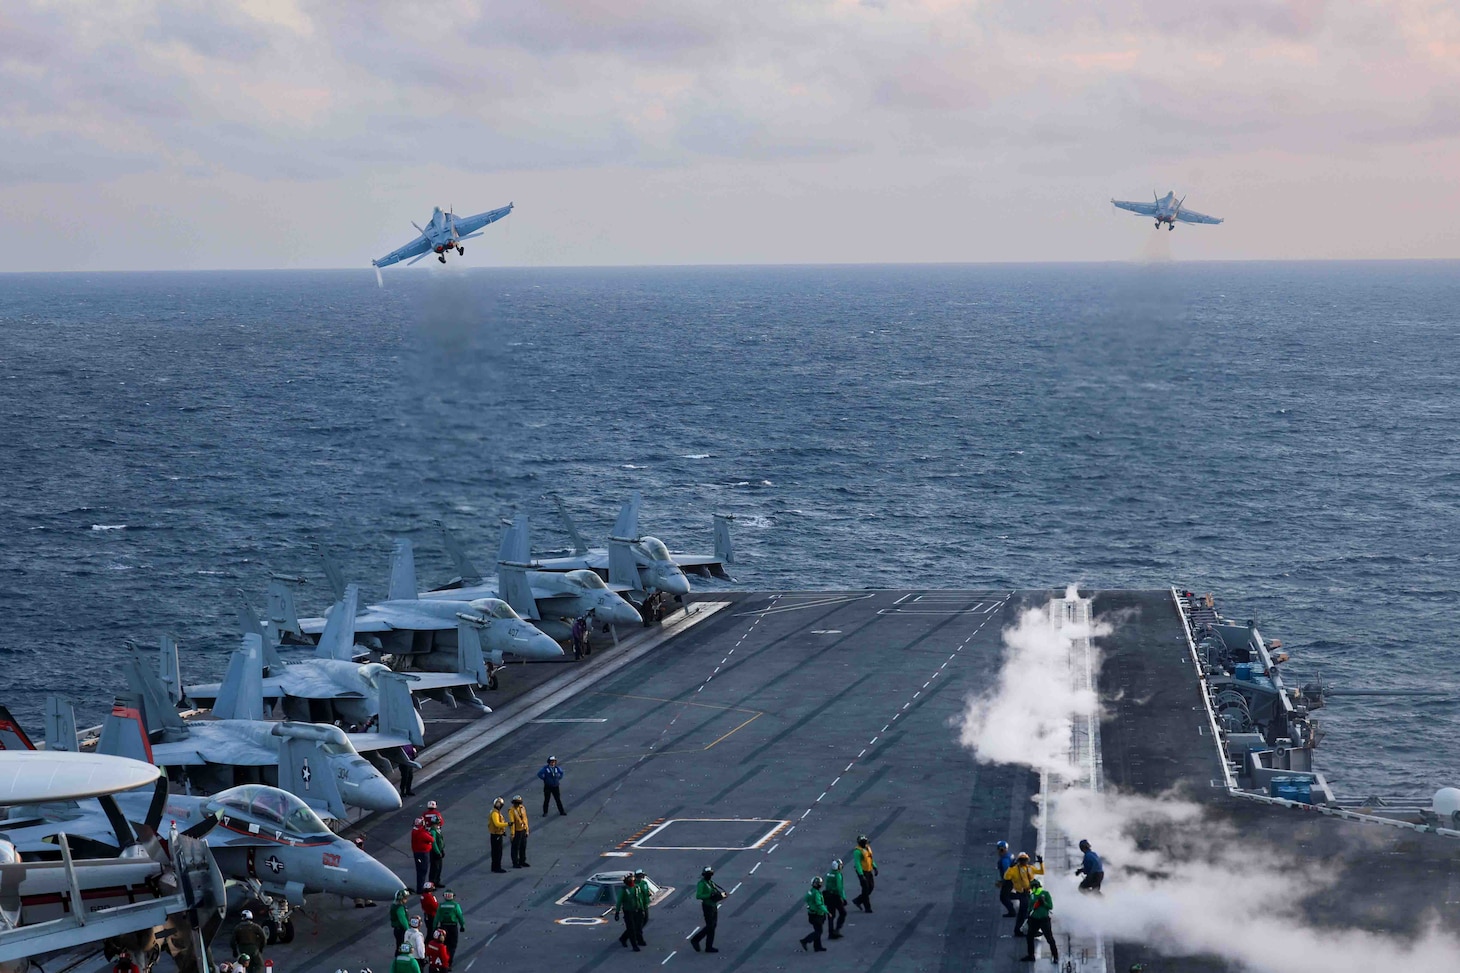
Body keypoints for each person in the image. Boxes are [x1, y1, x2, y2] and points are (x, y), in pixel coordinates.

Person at [1004, 851, 1045, 937]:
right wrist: (1010, 868)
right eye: (1022, 860)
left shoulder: (1030, 868)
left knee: (1028, 912)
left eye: (1025, 859)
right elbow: (1006, 877)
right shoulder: (1014, 869)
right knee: (1026, 912)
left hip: (1030, 892)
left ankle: (1022, 930)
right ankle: (1025, 930)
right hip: (1022, 893)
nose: (1023, 861)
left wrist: (1041, 863)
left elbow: (1041, 872)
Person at [689, 865, 725, 953]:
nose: (710, 875)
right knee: (710, 926)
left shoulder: (711, 883)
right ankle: (695, 940)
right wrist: (709, 895)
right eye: (708, 874)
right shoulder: (702, 883)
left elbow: (715, 892)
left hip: (713, 905)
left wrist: (720, 895)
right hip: (707, 906)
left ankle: (708, 946)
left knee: (713, 926)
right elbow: (699, 896)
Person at [1021, 878, 1058, 964]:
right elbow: (1030, 907)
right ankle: (1031, 955)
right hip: (1034, 920)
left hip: (1044, 920)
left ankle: (1055, 956)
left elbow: (1050, 906)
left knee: (1049, 939)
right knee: (1029, 937)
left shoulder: (1045, 894)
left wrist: (1043, 903)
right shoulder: (1032, 895)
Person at [615, 874, 645, 951]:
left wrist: (642, 909)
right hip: (628, 911)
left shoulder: (637, 887)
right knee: (631, 928)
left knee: (636, 927)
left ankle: (623, 938)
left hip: (637, 910)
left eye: (632, 880)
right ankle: (634, 945)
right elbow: (619, 902)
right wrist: (617, 912)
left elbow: (639, 899)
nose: (632, 881)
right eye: (630, 880)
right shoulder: (624, 890)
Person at [434, 888, 465, 960]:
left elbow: (437, 917)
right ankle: (449, 962)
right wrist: (462, 926)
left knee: (443, 945)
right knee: (452, 945)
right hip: (453, 927)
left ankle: (443, 960)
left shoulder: (441, 905)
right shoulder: (455, 905)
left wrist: (434, 927)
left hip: (443, 926)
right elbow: (460, 916)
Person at [799, 876, 829, 952]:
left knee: (817, 930)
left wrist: (811, 905)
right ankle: (805, 940)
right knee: (819, 931)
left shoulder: (811, 891)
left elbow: (806, 898)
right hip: (817, 914)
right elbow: (819, 904)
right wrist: (827, 912)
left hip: (812, 914)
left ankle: (817, 946)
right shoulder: (816, 893)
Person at [851, 835, 877, 913]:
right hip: (863, 872)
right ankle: (867, 907)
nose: (865, 843)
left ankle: (858, 900)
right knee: (865, 889)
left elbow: (870, 858)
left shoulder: (867, 848)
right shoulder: (857, 852)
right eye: (863, 842)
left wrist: (874, 867)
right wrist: (861, 875)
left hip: (868, 871)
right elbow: (857, 863)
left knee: (871, 887)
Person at [823, 859, 848, 938]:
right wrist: (843, 898)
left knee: (831, 915)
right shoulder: (837, 875)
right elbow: (839, 887)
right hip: (835, 896)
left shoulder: (829, 874)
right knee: (843, 913)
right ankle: (837, 929)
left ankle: (831, 932)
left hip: (828, 896)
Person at [410, 817, 435, 893]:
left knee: (420, 870)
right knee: (423, 870)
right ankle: (420, 888)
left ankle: (420, 887)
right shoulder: (421, 833)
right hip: (422, 853)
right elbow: (432, 839)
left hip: (418, 852)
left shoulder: (415, 831)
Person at [354, 835, 378, 907]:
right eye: (359, 845)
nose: (360, 846)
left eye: (361, 844)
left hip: (364, 871)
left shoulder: (362, 852)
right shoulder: (355, 853)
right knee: (357, 886)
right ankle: (359, 902)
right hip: (357, 872)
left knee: (367, 885)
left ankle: (368, 901)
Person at [995, 840, 1017, 917]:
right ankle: (1022, 897)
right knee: (1006, 895)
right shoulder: (1009, 855)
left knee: (1003, 897)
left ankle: (1012, 912)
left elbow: (1007, 873)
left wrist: (1002, 882)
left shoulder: (1004, 860)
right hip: (1013, 878)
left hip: (1009, 880)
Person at [509, 795, 530, 867]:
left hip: (523, 829)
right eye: (516, 803)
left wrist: (527, 829)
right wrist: (512, 834)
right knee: (515, 847)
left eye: (518, 803)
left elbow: (525, 819)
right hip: (517, 831)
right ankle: (515, 862)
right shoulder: (511, 811)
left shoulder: (522, 808)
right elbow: (512, 823)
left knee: (523, 846)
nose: (517, 804)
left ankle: (522, 861)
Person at [488, 797, 508, 872]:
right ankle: (497, 867)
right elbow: (497, 824)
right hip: (496, 835)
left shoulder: (495, 812)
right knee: (498, 852)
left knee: (495, 852)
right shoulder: (495, 813)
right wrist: (507, 824)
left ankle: (494, 867)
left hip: (496, 834)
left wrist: (503, 831)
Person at [428, 818, 446, 886]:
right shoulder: (433, 831)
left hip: (439, 850)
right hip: (435, 852)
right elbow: (434, 843)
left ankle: (437, 881)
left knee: (439, 867)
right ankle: (432, 883)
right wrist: (438, 852)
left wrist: (442, 849)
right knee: (434, 868)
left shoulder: (437, 830)